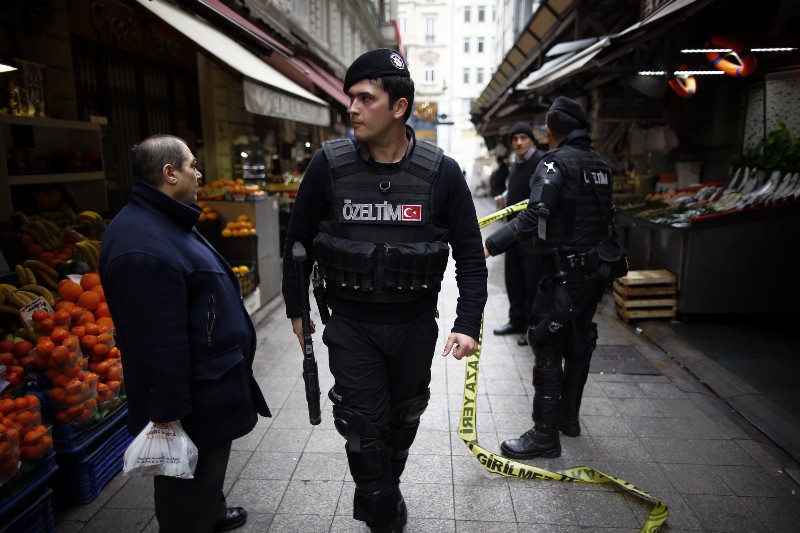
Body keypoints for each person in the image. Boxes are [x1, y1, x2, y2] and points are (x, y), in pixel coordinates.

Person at [281, 48, 487, 533]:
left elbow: (471, 256)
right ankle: (384, 517)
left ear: (398, 107)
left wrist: (467, 323)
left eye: (365, 98)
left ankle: (383, 494)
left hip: (414, 325)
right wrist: (296, 308)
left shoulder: (442, 172)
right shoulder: (327, 166)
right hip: (352, 326)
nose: (352, 108)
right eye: (350, 97)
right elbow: (297, 243)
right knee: (363, 428)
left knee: (401, 422)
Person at [99, 135, 270, 532]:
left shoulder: (166, 219)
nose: (199, 173)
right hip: (190, 403)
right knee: (185, 491)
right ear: (169, 173)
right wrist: (169, 420)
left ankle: (210, 510)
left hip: (209, 389)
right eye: (192, 165)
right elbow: (157, 344)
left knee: (205, 476)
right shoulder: (142, 246)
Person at [484, 97, 612, 459]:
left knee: (545, 341)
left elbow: (533, 214)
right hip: (594, 273)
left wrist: (490, 245)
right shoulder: (602, 166)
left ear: (549, 130)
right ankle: (568, 420)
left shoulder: (555, 163)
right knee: (580, 341)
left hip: (563, 273)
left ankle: (544, 435)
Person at [491, 122, 544, 346]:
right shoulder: (516, 165)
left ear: (532, 139)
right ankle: (516, 321)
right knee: (513, 278)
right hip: (513, 232)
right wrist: (504, 197)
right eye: (515, 139)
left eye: (523, 138)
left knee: (531, 281)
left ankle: (532, 326)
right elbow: (515, 190)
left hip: (531, 234)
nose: (519, 142)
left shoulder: (540, 162)